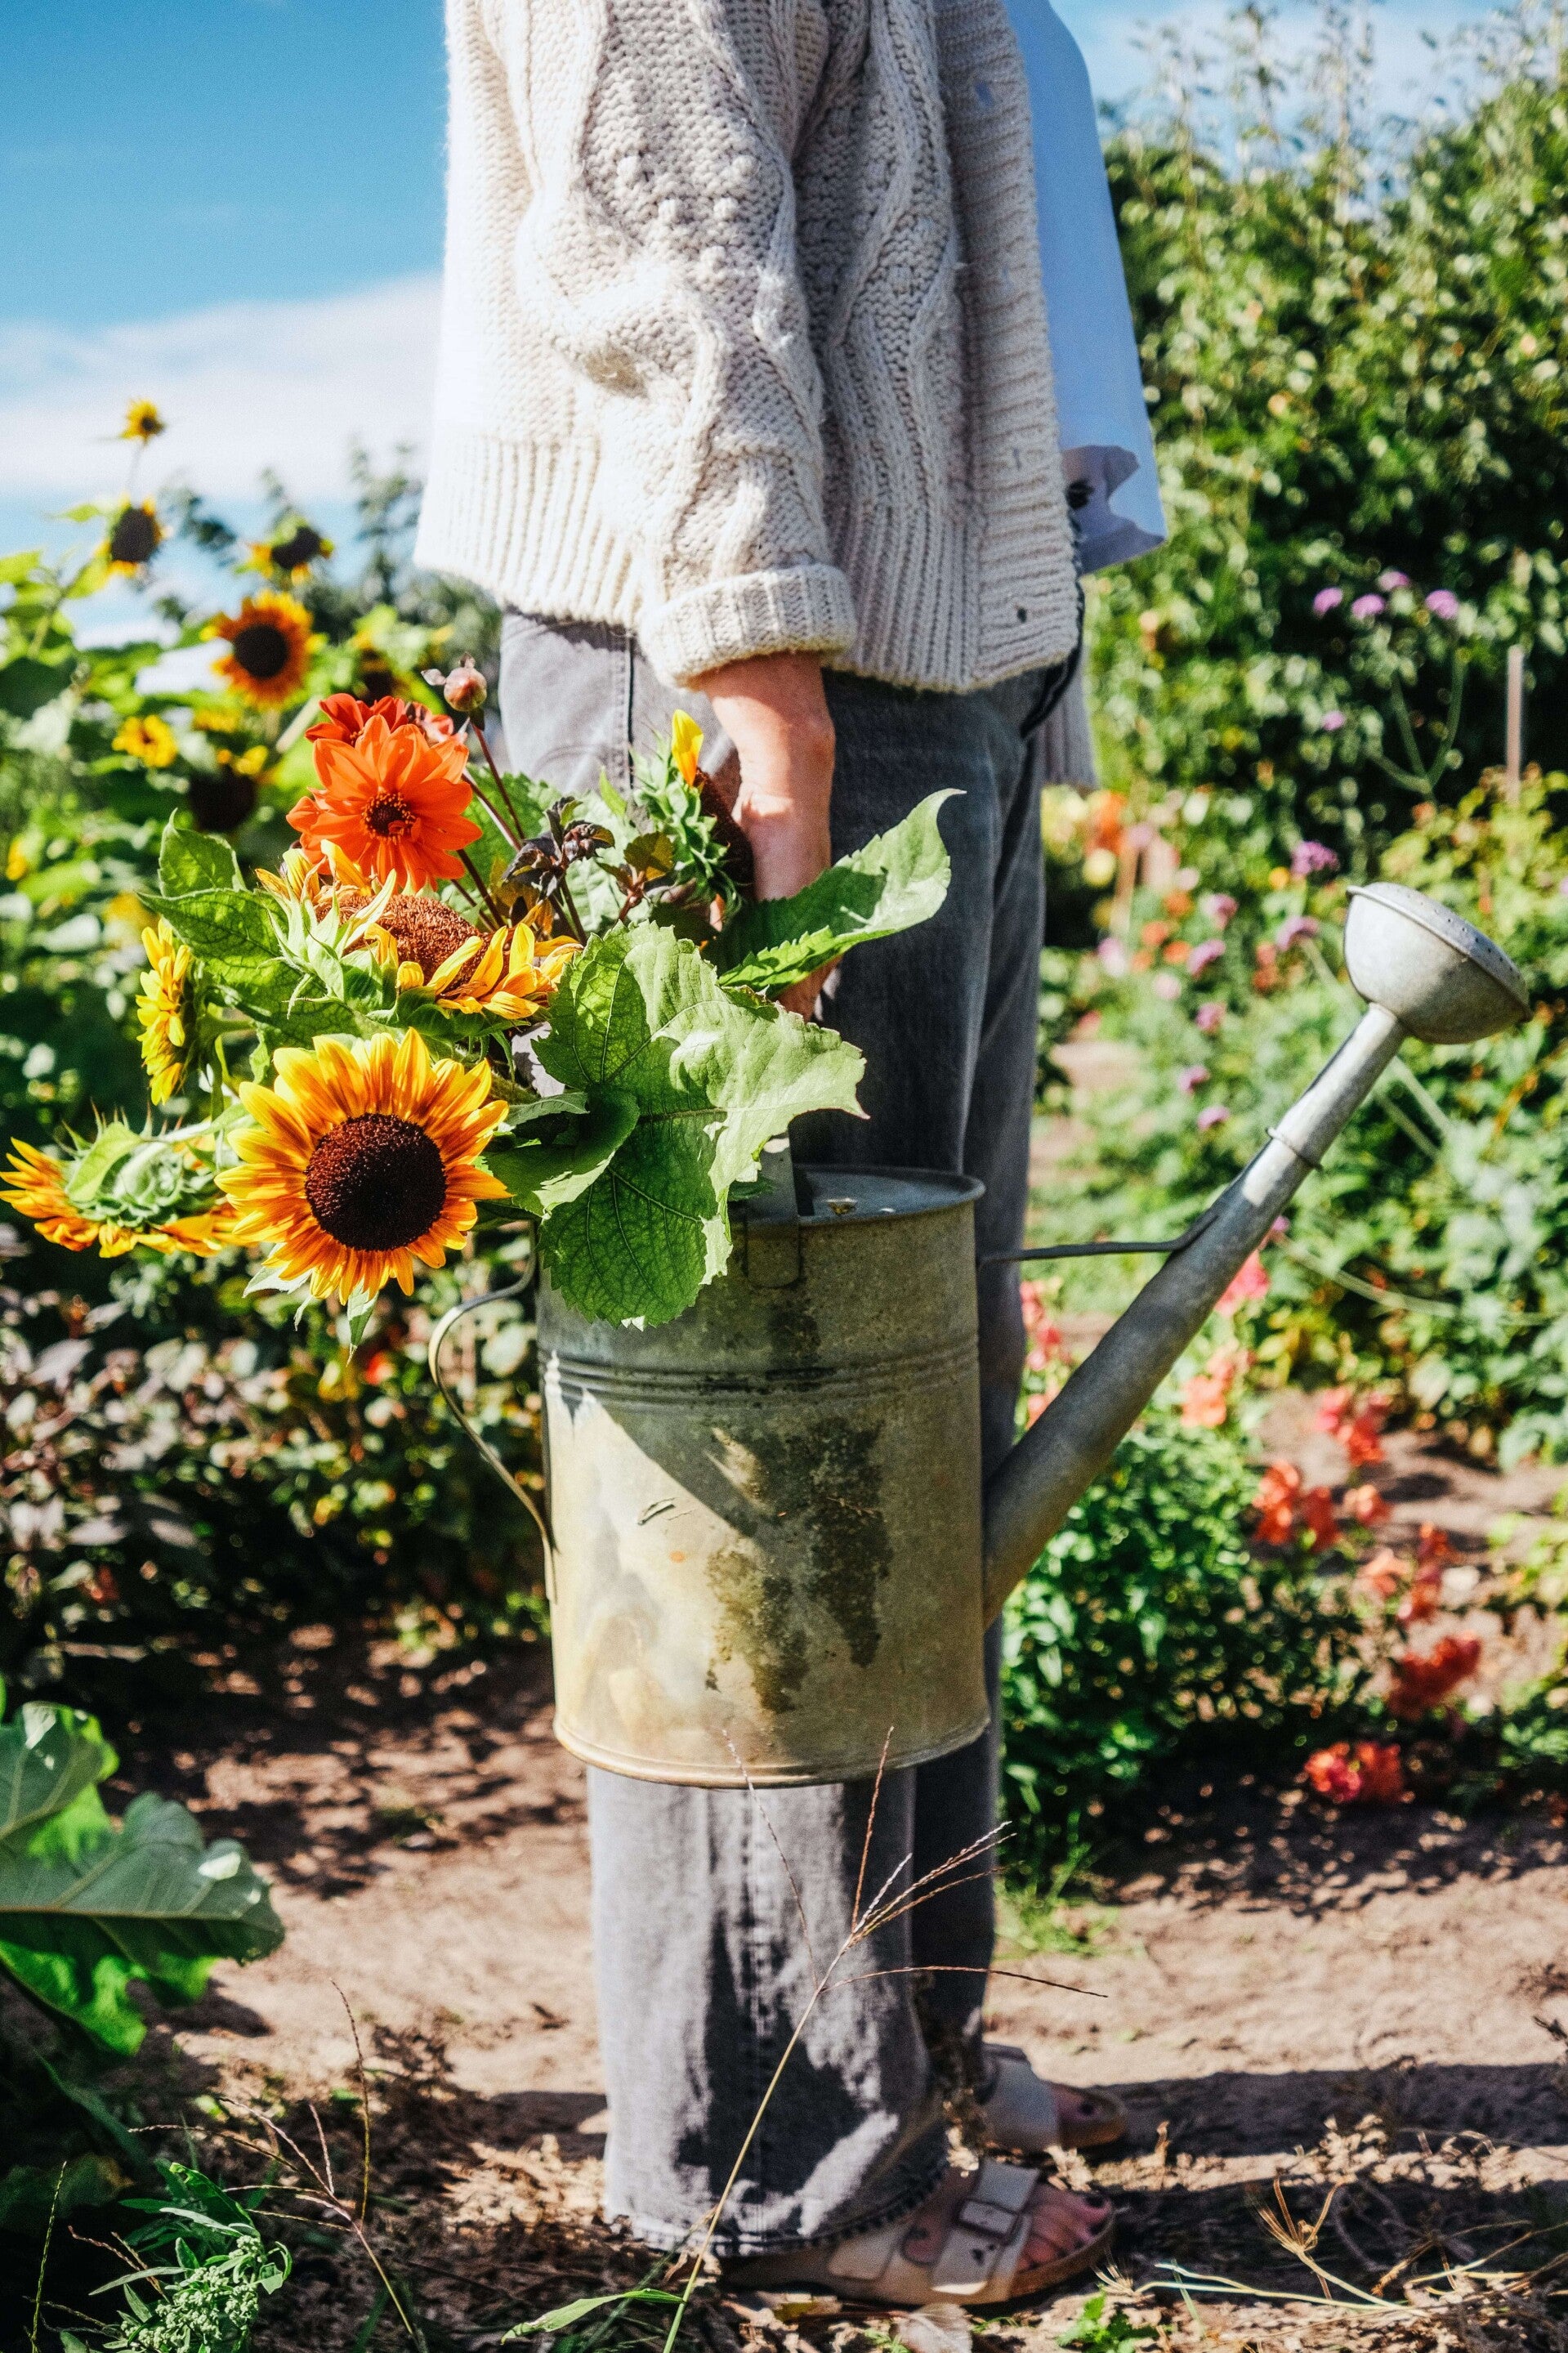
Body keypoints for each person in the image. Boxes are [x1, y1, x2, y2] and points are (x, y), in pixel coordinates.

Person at [416, 0, 1162, 2309]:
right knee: (771, 1445)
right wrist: (747, 648)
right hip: (758, 666)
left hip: (920, 667)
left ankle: (899, 2049)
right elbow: (660, 173)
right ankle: (782, 2159)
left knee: (906, 1404)